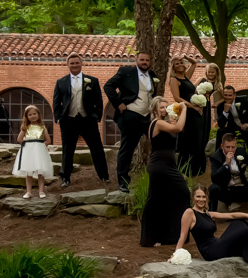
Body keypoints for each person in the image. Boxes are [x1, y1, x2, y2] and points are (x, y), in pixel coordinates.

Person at [174, 186, 248, 273]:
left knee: (241, 221)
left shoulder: (208, 214)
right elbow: (182, 236)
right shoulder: (189, 213)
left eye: (203, 197)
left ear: (206, 198)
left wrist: (247, 215)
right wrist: (175, 256)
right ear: (193, 198)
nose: (201, 199)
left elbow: (231, 216)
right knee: (244, 229)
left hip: (217, 244)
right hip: (210, 252)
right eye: (198, 197)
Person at [104, 51, 159, 193]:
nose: (144, 62)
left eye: (147, 60)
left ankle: (160, 176)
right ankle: (123, 182)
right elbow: (108, 86)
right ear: (136, 60)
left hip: (147, 118)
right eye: (142, 59)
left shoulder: (152, 76)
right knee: (127, 149)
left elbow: (152, 95)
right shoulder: (126, 71)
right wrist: (118, 103)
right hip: (130, 115)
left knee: (160, 143)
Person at [52, 53, 109, 187]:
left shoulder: (92, 80)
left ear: (81, 63)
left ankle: (104, 176)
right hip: (68, 120)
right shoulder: (61, 82)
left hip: (87, 119)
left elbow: (98, 100)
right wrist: (59, 118)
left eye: (77, 62)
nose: (75, 65)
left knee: (97, 148)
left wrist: (96, 116)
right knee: (67, 150)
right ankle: (65, 178)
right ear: (68, 65)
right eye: (72, 63)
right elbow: (56, 102)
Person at [140, 97, 190, 247]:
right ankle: (149, 238)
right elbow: (178, 129)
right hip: (160, 165)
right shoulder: (158, 123)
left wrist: (173, 120)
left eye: (166, 107)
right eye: (161, 107)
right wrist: (184, 109)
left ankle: (169, 236)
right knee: (170, 195)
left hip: (167, 165)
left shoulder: (164, 123)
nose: (164, 109)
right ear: (155, 110)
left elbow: (174, 132)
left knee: (167, 198)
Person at [208, 133, 248, 228]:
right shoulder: (216, 157)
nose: (230, 150)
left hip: (242, 189)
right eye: (227, 147)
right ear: (222, 146)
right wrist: (226, 164)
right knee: (213, 188)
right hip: (226, 192)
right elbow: (214, 178)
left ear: (236, 145)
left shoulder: (241, 152)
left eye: (233, 147)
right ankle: (211, 219)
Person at [168, 55, 206, 177]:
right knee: (188, 141)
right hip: (186, 112)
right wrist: (193, 106)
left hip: (196, 112)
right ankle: (185, 170)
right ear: (173, 67)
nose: (179, 65)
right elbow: (177, 98)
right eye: (176, 64)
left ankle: (197, 169)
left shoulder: (186, 77)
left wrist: (185, 57)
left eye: (181, 63)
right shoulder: (174, 80)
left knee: (198, 140)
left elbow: (194, 63)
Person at [12, 105, 53, 199]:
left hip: (39, 152)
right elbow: (19, 139)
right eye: (30, 114)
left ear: (38, 114)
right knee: (28, 172)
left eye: (34, 113)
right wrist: (28, 146)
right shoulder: (25, 127)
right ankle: (28, 192)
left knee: (40, 172)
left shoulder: (42, 127)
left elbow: (48, 140)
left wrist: (40, 147)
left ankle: (41, 191)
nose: (33, 116)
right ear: (27, 117)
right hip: (29, 152)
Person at [214, 86, 248, 150]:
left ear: (234, 95)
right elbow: (221, 125)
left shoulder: (244, 101)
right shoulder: (221, 106)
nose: (227, 97)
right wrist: (225, 112)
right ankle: (218, 156)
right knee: (220, 132)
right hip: (233, 128)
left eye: (230, 95)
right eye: (225, 95)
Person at [200, 63, 224, 153]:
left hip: (207, 104)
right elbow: (193, 89)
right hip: (199, 102)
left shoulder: (218, 84)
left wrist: (217, 103)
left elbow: (225, 97)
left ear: (216, 73)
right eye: (209, 72)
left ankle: (204, 146)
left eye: (212, 72)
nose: (210, 74)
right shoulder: (202, 80)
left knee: (206, 125)